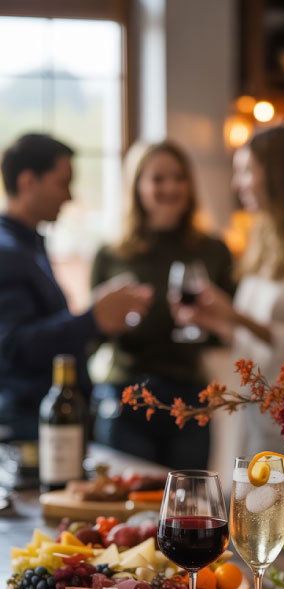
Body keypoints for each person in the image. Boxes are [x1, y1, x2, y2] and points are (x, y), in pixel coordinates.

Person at [174, 124, 284, 458]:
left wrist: (236, 316)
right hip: (257, 405)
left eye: (245, 171)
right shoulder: (267, 236)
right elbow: (252, 339)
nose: (236, 184)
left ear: (278, 175)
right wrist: (216, 320)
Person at [90, 140, 234, 469]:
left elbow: (229, 329)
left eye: (178, 177)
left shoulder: (213, 250)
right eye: (158, 179)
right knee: (131, 508)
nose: (170, 187)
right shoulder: (111, 254)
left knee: (186, 512)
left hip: (190, 398)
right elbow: (93, 334)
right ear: (138, 186)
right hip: (127, 397)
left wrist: (210, 322)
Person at [0, 133, 152, 441]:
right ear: (28, 181)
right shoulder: (6, 251)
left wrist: (100, 318)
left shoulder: (27, 245)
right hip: (30, 420)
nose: (69, 196)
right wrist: (92, 318)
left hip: (46, 416)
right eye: (62, 182)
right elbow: (14, 346)